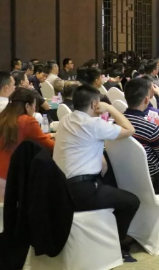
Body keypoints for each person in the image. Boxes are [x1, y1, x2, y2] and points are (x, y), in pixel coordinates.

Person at [53, 85, 140, 260]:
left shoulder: (66, 120)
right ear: (95, 104)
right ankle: (116, 244)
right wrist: (110, 108)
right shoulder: (94, 124)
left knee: (108, 181)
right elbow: (130, 130)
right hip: (82, 191)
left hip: (59, 187)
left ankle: (108, 234)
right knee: (131, 201)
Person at [0, 88, 55, 202]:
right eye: (34, 106)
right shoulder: (27, 121)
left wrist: (49, 135)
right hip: (10, 187)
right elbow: (51, 147)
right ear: (27, 106)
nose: (34, 110)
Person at [124, 78, 159, 195]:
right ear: (147, 99)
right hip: (156, 180)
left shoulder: (115, 124)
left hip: (126, 176)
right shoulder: (150, 128)